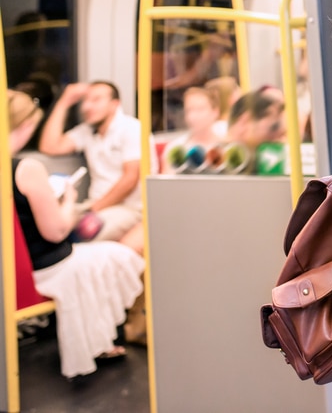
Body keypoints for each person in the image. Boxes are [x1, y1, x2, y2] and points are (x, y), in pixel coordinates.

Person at [7, 90, 145, 380]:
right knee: (119, 256)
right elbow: (56, 232)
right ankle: (105, 338)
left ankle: (102, 338)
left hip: (21, 264)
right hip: (49, 264)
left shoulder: (129, 129)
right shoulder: (27, 168)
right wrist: (68, 199)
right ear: (24, 126)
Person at [38, 81, 149, 243]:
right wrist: (64, 102)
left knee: (84, 232)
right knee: (49, 225)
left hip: (129, 208)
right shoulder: (87, 131)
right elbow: (50, 146)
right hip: (94, 205)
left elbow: (130, 179)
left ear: (114, 104)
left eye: (96, 100)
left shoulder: (131, 128)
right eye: (85, 100)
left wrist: (93, 209)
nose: (87, 107)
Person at [162, 86, 225, 173]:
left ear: (215, 112)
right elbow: (166, 183)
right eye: (189, 110)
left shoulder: (226, 147)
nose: (194, 116)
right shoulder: (175, 149)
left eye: (200, 109)